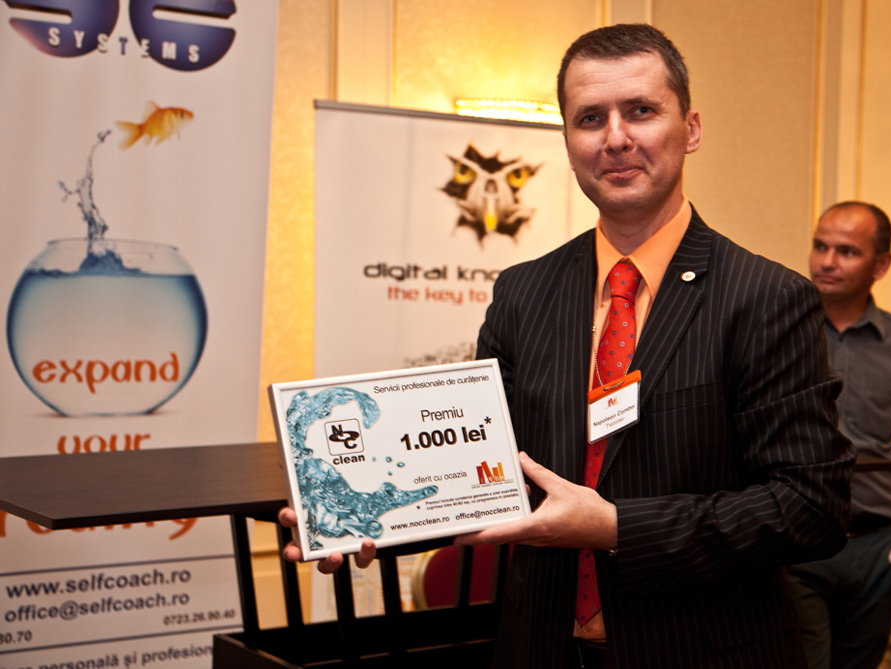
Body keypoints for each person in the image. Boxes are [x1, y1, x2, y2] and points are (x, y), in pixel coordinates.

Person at [280, 24, 854, 668]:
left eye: (641, 110)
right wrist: (354, 513)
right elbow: (470, 468)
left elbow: (811, 507)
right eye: (590, 118)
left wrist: (616, 528)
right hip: (540, 649)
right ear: (568, 141)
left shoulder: (767, 297)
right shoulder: (523, 292)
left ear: (690, 129)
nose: (616, 138)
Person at [787, 201, 891, 669]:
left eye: (847, 251)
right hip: (796, 540)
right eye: (820, 246)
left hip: (878, 548)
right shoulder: (777, 332)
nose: (827, 261)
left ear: (881, 265)